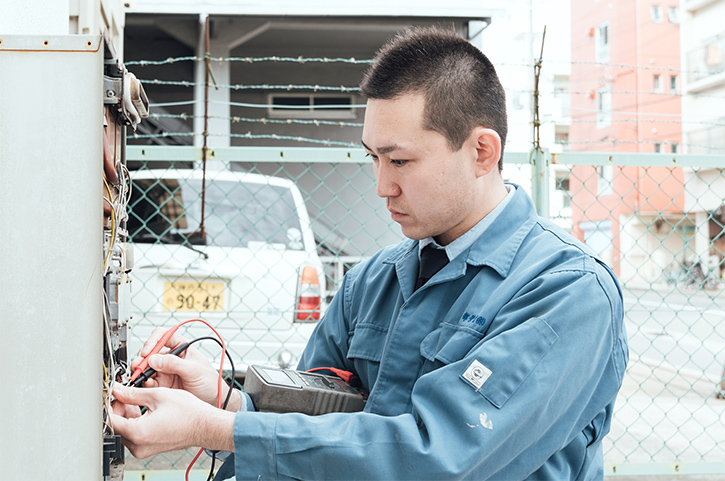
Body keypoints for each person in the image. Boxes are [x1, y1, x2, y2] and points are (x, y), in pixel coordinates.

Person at [111, 26, 629, 480]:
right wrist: (226, 401)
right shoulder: (373, 281)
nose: (382, 185)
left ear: (482, 151)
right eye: (373, 157)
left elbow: (439, 457)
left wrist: (220, 428)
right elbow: (322, 423)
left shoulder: (567, 292)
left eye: (400, 160)